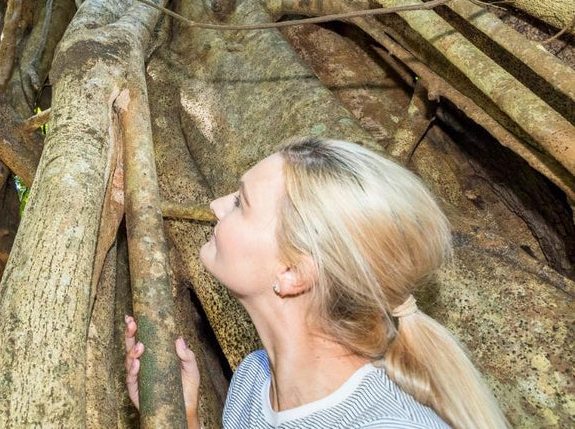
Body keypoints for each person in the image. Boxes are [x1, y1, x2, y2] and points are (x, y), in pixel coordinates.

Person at [124, 137, 509, 429]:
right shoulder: (252, 380)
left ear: (292, 273)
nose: (216, 205)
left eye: (241, 203)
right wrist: (180, 412)